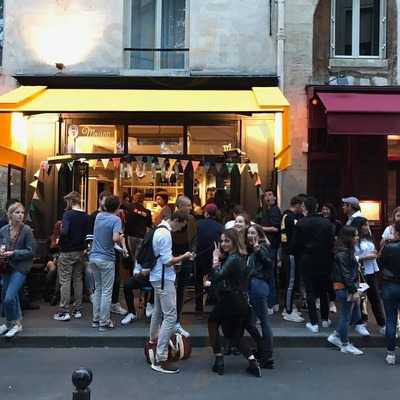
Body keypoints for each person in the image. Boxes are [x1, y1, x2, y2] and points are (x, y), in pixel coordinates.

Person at [208, 229, 261, 377]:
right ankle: (253, 363)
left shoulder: (233, 259)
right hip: (241, 301)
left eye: (227, 241)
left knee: (212, 322)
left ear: (234, 242)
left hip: (230, 300)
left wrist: (215, 259)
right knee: (235, 336)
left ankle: (219, 359)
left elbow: (218, 276)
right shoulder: (240, 257)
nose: (223, 244)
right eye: (222, 241)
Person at [149, 210, 194, 374]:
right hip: (163, 278)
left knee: (158, 311)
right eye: (181, 225)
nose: (180, 229)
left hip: (156, 276)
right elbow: (168, 261)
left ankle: (153, 341)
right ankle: (160, 358)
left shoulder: (158, 230)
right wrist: (184, 256)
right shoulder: (166, 234)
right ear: (176, 220)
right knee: (170, 316)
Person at [292, 196, 335, 333]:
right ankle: (325, 319)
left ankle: (313, 322)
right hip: (324, 259)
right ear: (316, 207)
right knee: (323, 290)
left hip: (306, 259)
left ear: (305, 207)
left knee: (310, 291)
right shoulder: (327, 223)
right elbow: (331, 243)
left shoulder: (300, 223)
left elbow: (295, 244)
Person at [89, 195, 128, 331]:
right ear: (117, 207)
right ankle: (104, 321)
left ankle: (96, 319)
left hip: (94, 257)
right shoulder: (116, 219)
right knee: (106, 291)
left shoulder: (99, 216)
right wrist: (121, 237)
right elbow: (114, 237)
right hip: (106, 258)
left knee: (98, 289)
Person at [0, 202, 36, 338]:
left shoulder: (26, 230)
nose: (20, 215)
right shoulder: (3, 230)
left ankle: (16, 324)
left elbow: (31, 251)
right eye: (17, 212)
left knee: (9, 298)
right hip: (6, 267)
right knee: (7, 297)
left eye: (22, 212)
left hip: (21, 268)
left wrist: (14, 253)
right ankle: (11, 323)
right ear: (10, 214)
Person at [327, 226, 364, 355]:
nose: (357, 238)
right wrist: (354, 290)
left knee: (352, 315)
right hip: (345, 288)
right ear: (349, 238)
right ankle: (344, 343)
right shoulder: (343, 253)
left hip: (346, 287)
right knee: (345, 316)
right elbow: (346, 274)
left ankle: (337, 335)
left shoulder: (345, 252)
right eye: (355, 235)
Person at [54, 192, 89, 322]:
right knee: (78, 279)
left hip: (67, 251)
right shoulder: (86, 216)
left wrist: (59, 241)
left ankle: (64, 311)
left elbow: (64, 232)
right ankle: (78, 309)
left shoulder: (67, 214)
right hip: (80, 251)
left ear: (70, 201)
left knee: (65, 280)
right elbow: (87, 234)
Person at [246, 224, 274, 369]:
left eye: (253, 232)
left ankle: (267, 356)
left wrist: (257, 247)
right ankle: (263, 349)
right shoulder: (255, 249)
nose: (250, 235)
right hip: (255, 286)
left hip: (258, 285)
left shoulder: (261, 247)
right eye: (248, 233)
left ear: (260, 234)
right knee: (251, 322)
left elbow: (268, 263)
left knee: (263, 321)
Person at [352, 217, 385, 335]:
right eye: (365, 225)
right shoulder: (354, 239)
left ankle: (382, 324)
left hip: (371, 272)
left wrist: (375, 253)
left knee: (375, 297)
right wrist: (366, 257)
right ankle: (359, 323)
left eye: (367, 225)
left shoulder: (368, 238)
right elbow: (351, 257)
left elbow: (373, 251)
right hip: (361, 273)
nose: (367, 227)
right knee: (360, 298)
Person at [171, 195, 197, 337]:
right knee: (170, 291)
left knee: (181, 290)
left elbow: (194, 239)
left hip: (186, 258)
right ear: (180, 206)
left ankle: (177, 320)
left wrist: (192, 253)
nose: (190, 208)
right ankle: (169, 320)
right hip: (172, 258)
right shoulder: (171, 219)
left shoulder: (192, 220)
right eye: (187, 205)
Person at [255, 189, 281, 312]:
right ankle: (272, 302)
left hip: (271, 246)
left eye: (270, 195)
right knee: (268, 274)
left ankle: (271, 303)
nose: (268, 197)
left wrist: (260, 228)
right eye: (266, 195)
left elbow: (276, 228)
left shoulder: (275, 210)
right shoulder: (266, 210)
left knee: (269, 274)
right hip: (267, 245)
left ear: (275, 197)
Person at [281, 196, 305, 323]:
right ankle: (288, 310)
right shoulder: (289, 217)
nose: (303, 209)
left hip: (291, 253)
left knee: (292, 282)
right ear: (297, 205)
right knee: (290, 282)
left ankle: (290, 306)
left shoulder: (290, 216)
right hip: (290, 253)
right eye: (302, 206)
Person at [195, 203, 223, 312]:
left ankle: (198, 306)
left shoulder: (198, 224)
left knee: (198, 281)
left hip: (200, 255)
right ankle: (214, 303)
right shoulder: (220, 226)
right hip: (213, 256)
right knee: (214, 279)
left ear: (205, 212)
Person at [379, 221, 400, 365]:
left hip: (390, 284)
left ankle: (391, 353)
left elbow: (379, 265)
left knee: (391, 319)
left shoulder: (388, 247)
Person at [125, 192, 152, 266]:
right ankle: (136, 273)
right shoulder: (147, 212)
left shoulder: (129, 207)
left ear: (134, 198)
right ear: (143, 200)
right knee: (138, 257)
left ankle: (132, 273)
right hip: (141, 236)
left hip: (130, 235)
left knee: (132, 256)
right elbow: (149, 225)